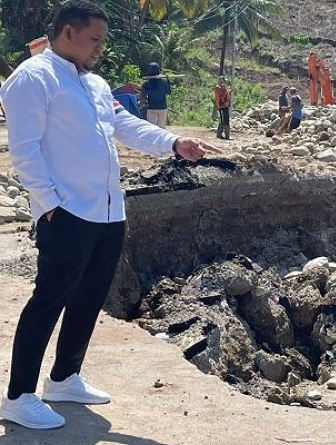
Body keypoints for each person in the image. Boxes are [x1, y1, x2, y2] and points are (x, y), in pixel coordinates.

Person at [0, 1, 220, 430]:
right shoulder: (34, 78)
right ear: (68, 32)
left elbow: (126, 126)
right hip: (66, 212)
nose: (100, 48)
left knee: (89, 297)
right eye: (95, 40)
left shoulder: (96, 84)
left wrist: (174, 143)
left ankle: (64, 378)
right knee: (49, 300)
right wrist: (49, 205)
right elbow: (24, 150)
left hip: (107, 211)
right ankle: (18, 396)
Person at [141, 61, 171, 129]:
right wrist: (168, 81)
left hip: (151, 108)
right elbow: (168, 92)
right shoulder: (164, 81)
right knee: (162, 128)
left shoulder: (146, 83)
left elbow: (143, 97)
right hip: (163, 108)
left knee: (152, 129)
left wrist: (144, 105)